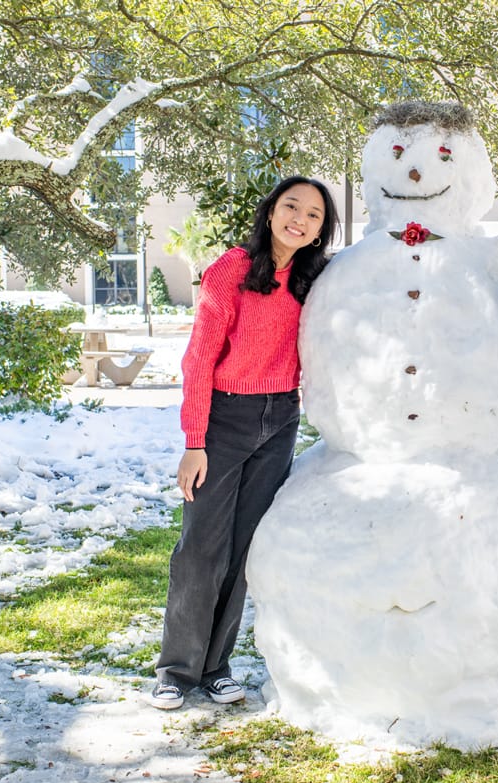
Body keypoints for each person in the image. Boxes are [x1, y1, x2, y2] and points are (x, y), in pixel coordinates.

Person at [148, 176, 339, 710]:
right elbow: (199, 357)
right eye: (291, 207)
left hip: (280, 420)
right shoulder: (232, 267)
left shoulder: (313, 278)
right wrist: (194, 440)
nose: (300, 219)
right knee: (201, 549)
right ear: (271, 210)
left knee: (243, 548)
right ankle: (176, 670)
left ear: (323, 230)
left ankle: (216, 667)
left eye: (314, 216)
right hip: (224, 419)